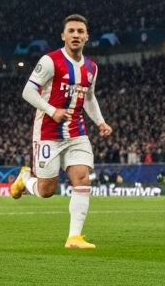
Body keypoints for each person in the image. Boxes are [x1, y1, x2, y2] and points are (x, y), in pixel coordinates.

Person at [9, 14, 114, 249]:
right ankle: (25, 178)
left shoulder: (91, 68)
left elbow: (89, 97)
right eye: (71, 31)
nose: (76, 35)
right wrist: (51, 110)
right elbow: (28, 91)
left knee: (82, 177)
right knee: (47, 191)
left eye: (80, 31)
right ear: (63, 36)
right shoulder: (50, 61)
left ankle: (74, 237)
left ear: (87, 37)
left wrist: (100, 122)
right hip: (48, 133)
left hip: (77, 132)